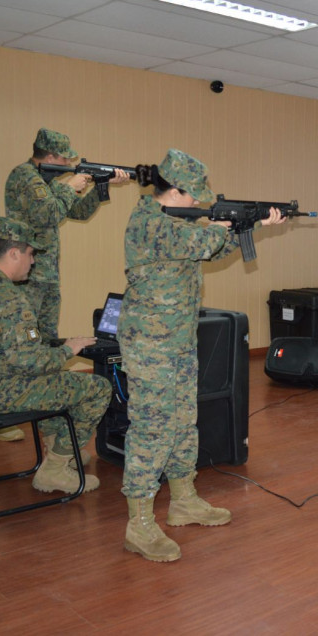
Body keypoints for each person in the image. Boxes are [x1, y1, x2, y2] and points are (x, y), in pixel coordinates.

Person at [119, 149, 286, 562]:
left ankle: (183, 499)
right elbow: (205, 243)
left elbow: (211, 246)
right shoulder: (149, 222)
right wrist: (246, 223)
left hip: (177, 339)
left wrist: (241, 224)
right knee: (151, 429)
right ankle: (138, 525)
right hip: (150, 344)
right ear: (173, 190)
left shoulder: (177, 222)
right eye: (192, 195)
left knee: (182, 420)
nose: (197, 201)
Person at [0, 216, 112, 494]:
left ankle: (57, 451)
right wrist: (70, 349)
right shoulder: (10, 298)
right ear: (14, 253)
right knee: (98, 388)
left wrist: (55, 346)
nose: (32, 262)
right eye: (30, 254)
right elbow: (31, 362)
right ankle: (54, 470)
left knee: (55, 379)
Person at [1, 127, 128, 442]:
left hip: (46, 276)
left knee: (44, 345)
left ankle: (43, 412)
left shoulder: (49, 183)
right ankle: (2, 415)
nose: (69, 163)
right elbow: (47, 213)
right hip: (24, 277)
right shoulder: (24, 177)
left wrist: (100, 185)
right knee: (21, 344)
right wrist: (71, 183)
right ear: (50, 156)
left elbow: (79, 213)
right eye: (64, 157)